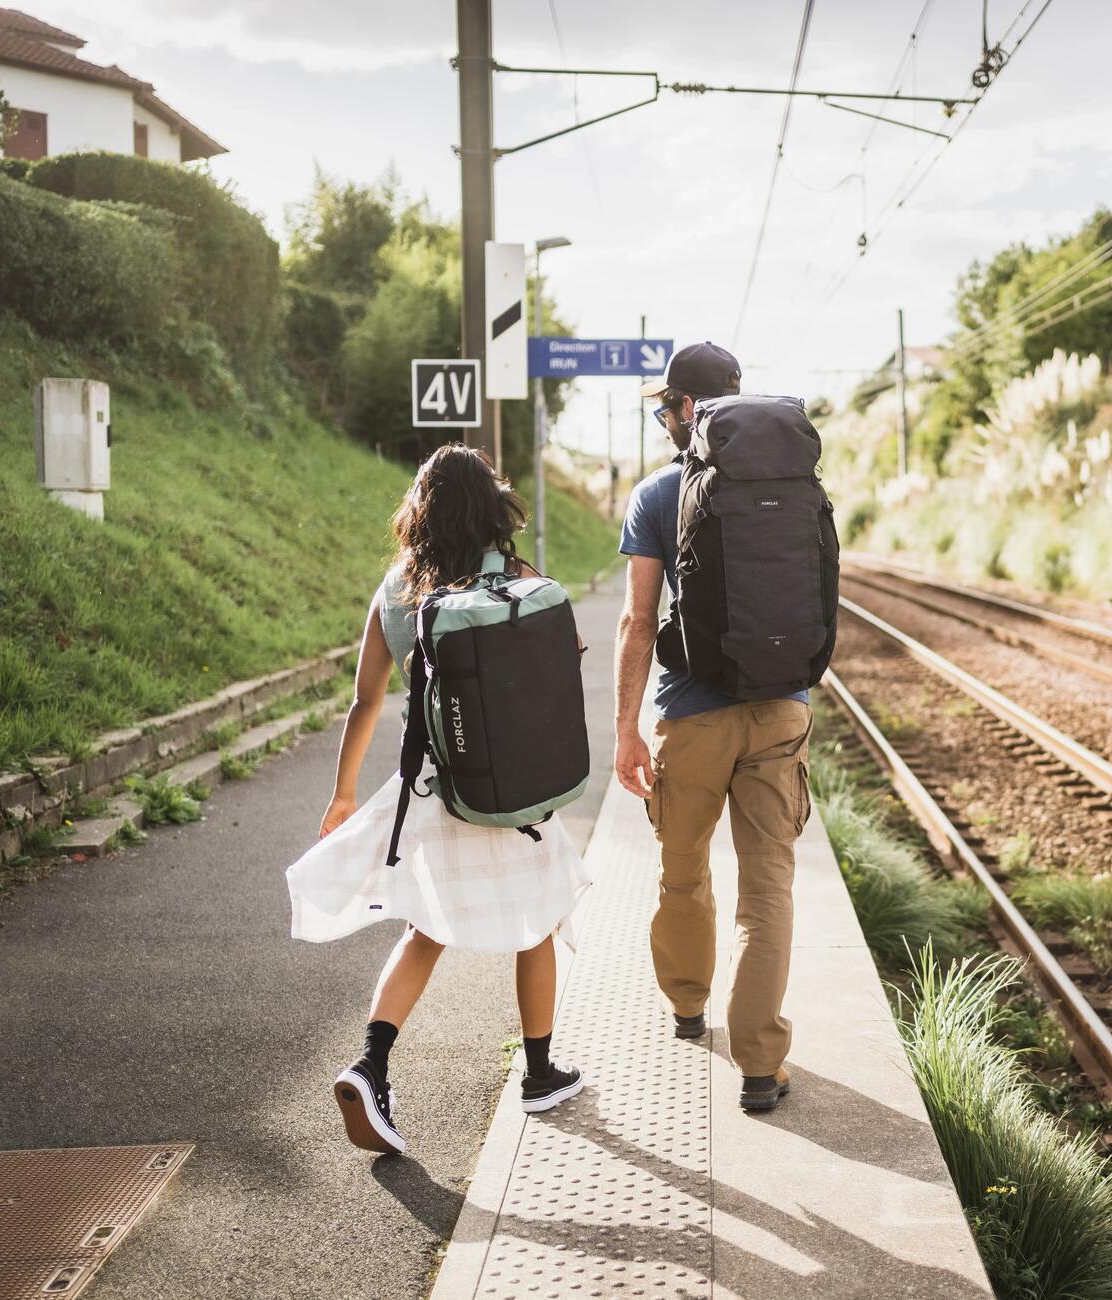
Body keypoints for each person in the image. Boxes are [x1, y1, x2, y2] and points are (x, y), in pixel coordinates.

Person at [286, 445, 592, 1156]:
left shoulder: (395, 589)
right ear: (493, 506)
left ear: (419, 509)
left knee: (425, 932)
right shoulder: (517, 576)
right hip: (513, 790)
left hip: (437, 789)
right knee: (539, 924)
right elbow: (565, 650)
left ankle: (371, 1064)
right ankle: (541, 1073)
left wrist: (342, 795)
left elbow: (365, 702)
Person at [615, 341, 812, 1113]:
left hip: (691, 715)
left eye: (667, 406)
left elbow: (637, 621)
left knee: (684, 868)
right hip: (781, 709)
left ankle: (689, 1007)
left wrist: (626, 728)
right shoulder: (795, 482)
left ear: (687, 408)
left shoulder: (658, 493)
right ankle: (760, 1066)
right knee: (768, 886)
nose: (665, 418)